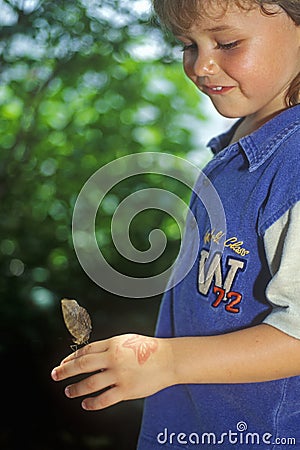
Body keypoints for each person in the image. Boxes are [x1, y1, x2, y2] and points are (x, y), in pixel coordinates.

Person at [51, 0, 300, 448]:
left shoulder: (294, 166)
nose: (201, 66)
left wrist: (167, 361)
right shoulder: (238, 146)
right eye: (188, 45)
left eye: (227, 43)